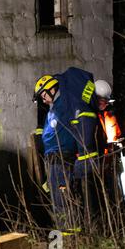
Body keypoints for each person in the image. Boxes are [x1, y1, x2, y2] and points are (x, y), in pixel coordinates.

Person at [33, 67, 99, 231]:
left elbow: (84, 123)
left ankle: (70, 240)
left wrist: (85, 157)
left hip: (63, 161)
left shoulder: (68, 103)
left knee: (64, 202)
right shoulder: (54, 109)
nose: (44, 100)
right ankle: (65, 236)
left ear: (53, 88)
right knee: (58, 202)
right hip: (54, 164)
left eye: (44, 95)